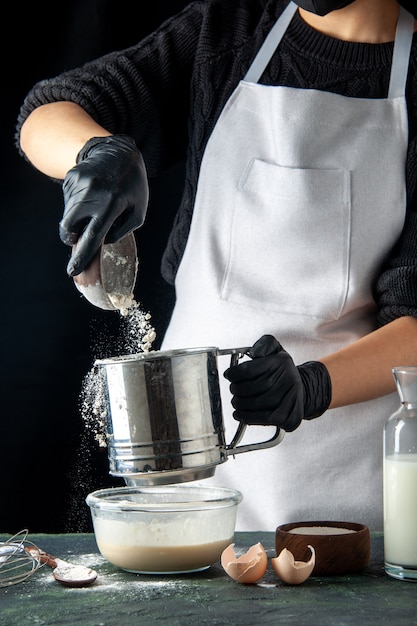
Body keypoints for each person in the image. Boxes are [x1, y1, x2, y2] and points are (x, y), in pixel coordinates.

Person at [16, 0, 417, 531]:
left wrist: (312, 387)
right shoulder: (228, 31)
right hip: (185, 462)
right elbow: (46, 111)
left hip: (340, 480)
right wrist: (97, 154)